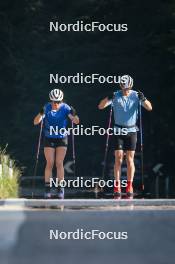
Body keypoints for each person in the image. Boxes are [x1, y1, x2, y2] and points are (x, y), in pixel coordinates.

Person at [98, 75, 152, 198]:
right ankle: (117, 185)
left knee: (129, 159)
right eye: (123, 88)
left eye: (127, 88)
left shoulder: (135, 95)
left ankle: (129, 185)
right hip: (118, 130)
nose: (126, 91)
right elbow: (100, 106)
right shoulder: (116, 95)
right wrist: (108, 98)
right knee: (118, 158)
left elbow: (149, 108)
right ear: (121, 87)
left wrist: (143, 99)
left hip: (132, 130)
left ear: (131, 86)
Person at [34, 89, 79, 199]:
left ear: (61, 101)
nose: (56, 104)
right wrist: (41, 113)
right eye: (54, 102)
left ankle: (60, 188)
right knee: (50, 162)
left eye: (58, 102)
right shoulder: (47, 107)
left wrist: (74, 113)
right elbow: (35, 122)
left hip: (61, 138)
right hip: (49, 137)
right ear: (51, 101)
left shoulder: (65, 108)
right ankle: (47, 189)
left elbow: (77, 121)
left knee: (59, 163)